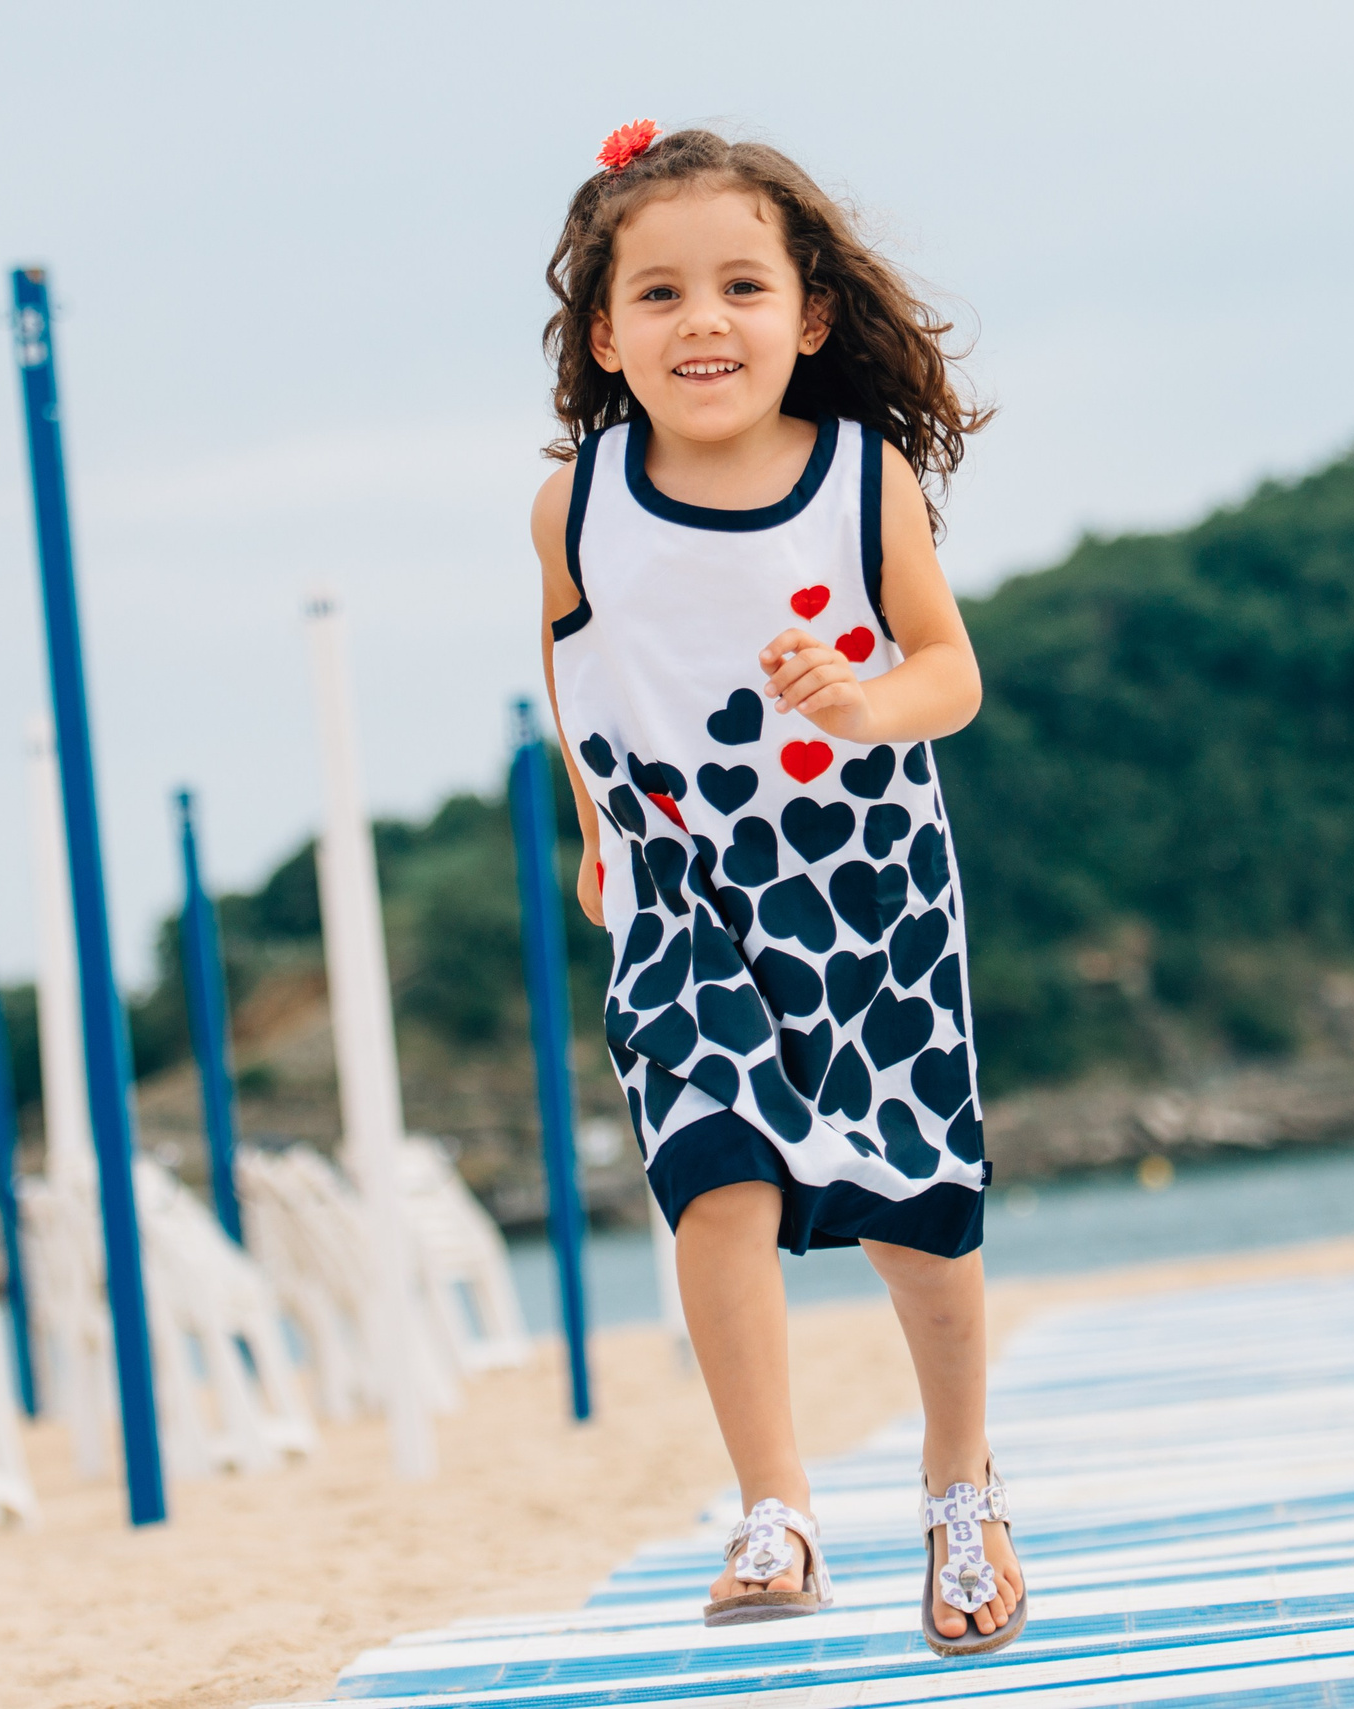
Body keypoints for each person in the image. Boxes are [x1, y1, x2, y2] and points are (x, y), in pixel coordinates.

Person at [532, 122, 1022, 1656]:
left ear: (808, 316)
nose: (703, 322)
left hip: (868, 884)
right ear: (606, 336)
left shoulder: (860, 482)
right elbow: (576, 675)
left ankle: (961, 1485)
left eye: (740, 285)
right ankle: (776, 1501)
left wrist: (868, 700)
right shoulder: (574, 506)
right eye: (660, 294)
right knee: (714, 1165)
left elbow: (949, 671)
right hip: (686, 890)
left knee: (915, 1213)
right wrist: (601, 835)